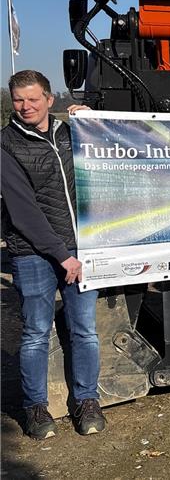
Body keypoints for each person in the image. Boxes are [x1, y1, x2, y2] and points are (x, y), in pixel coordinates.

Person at [1, 70, 106, 439]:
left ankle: (87, 400)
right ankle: (36, 407)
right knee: (35, 333)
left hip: (79, 247)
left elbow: (111, 149)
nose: (25, 106)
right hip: (34, 253)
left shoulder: (71, 132)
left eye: (33, 99)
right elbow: (23, 211)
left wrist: (92, 119)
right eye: (18, 100)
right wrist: (63, 256)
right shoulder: (6, 144)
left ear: (49, 99)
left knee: (85, 331)